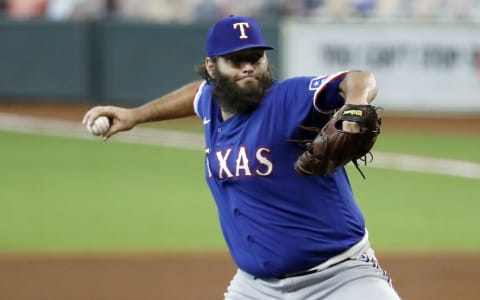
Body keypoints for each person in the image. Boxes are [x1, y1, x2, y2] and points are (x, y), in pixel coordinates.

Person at [82, 15, 401, 300]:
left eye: (255, 57)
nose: (248, 66)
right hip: (255, 287)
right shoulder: (211, 101)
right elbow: (196, 94)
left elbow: (358, 78)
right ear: (212, 67)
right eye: (236, 60)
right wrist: (135, 115)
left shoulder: (290, 99)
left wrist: (355, 105)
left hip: (340, 278)